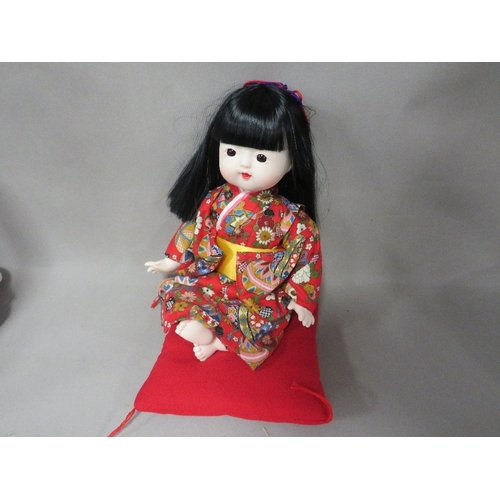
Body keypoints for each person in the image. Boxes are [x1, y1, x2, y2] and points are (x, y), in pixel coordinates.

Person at [145, 81, 322, 370]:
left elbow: (307, 255)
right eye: (231, 152)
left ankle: (219, 342)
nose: (244, 164)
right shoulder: (215, 198)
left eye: (261, 157)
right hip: (215, 276)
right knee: (175, 289)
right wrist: (171, 260)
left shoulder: (291, 218)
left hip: (257, 291)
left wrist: (302, 299)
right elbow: (194, 229)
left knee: (263, 323)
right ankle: (209, 330)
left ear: (291, 161)